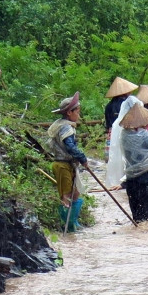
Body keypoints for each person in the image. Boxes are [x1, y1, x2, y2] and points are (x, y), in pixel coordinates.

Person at [46, 92, 88, 231]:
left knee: (75, 194)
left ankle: (73, 222)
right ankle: (67, 226)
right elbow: (70, 146)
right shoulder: (65, 127)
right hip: (62, 165)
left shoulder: (63, 124)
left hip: (68, 164)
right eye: (77, 111)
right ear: (70, 112)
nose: (79, 114)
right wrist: (82, 158)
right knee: (67, 196)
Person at [119, 103, 148, 223]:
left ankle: (137, 235)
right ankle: (143, 238)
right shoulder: (144, 135)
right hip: (145, 178)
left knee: (136, 213)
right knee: (145, 213)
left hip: (130, 178)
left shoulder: (123, 135)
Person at [105, 77, 138, 163]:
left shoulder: (108, 106)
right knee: (123, 158)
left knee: (113, 159)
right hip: (123, 132)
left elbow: (108, 124)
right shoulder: (125, 104)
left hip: (111, 133)